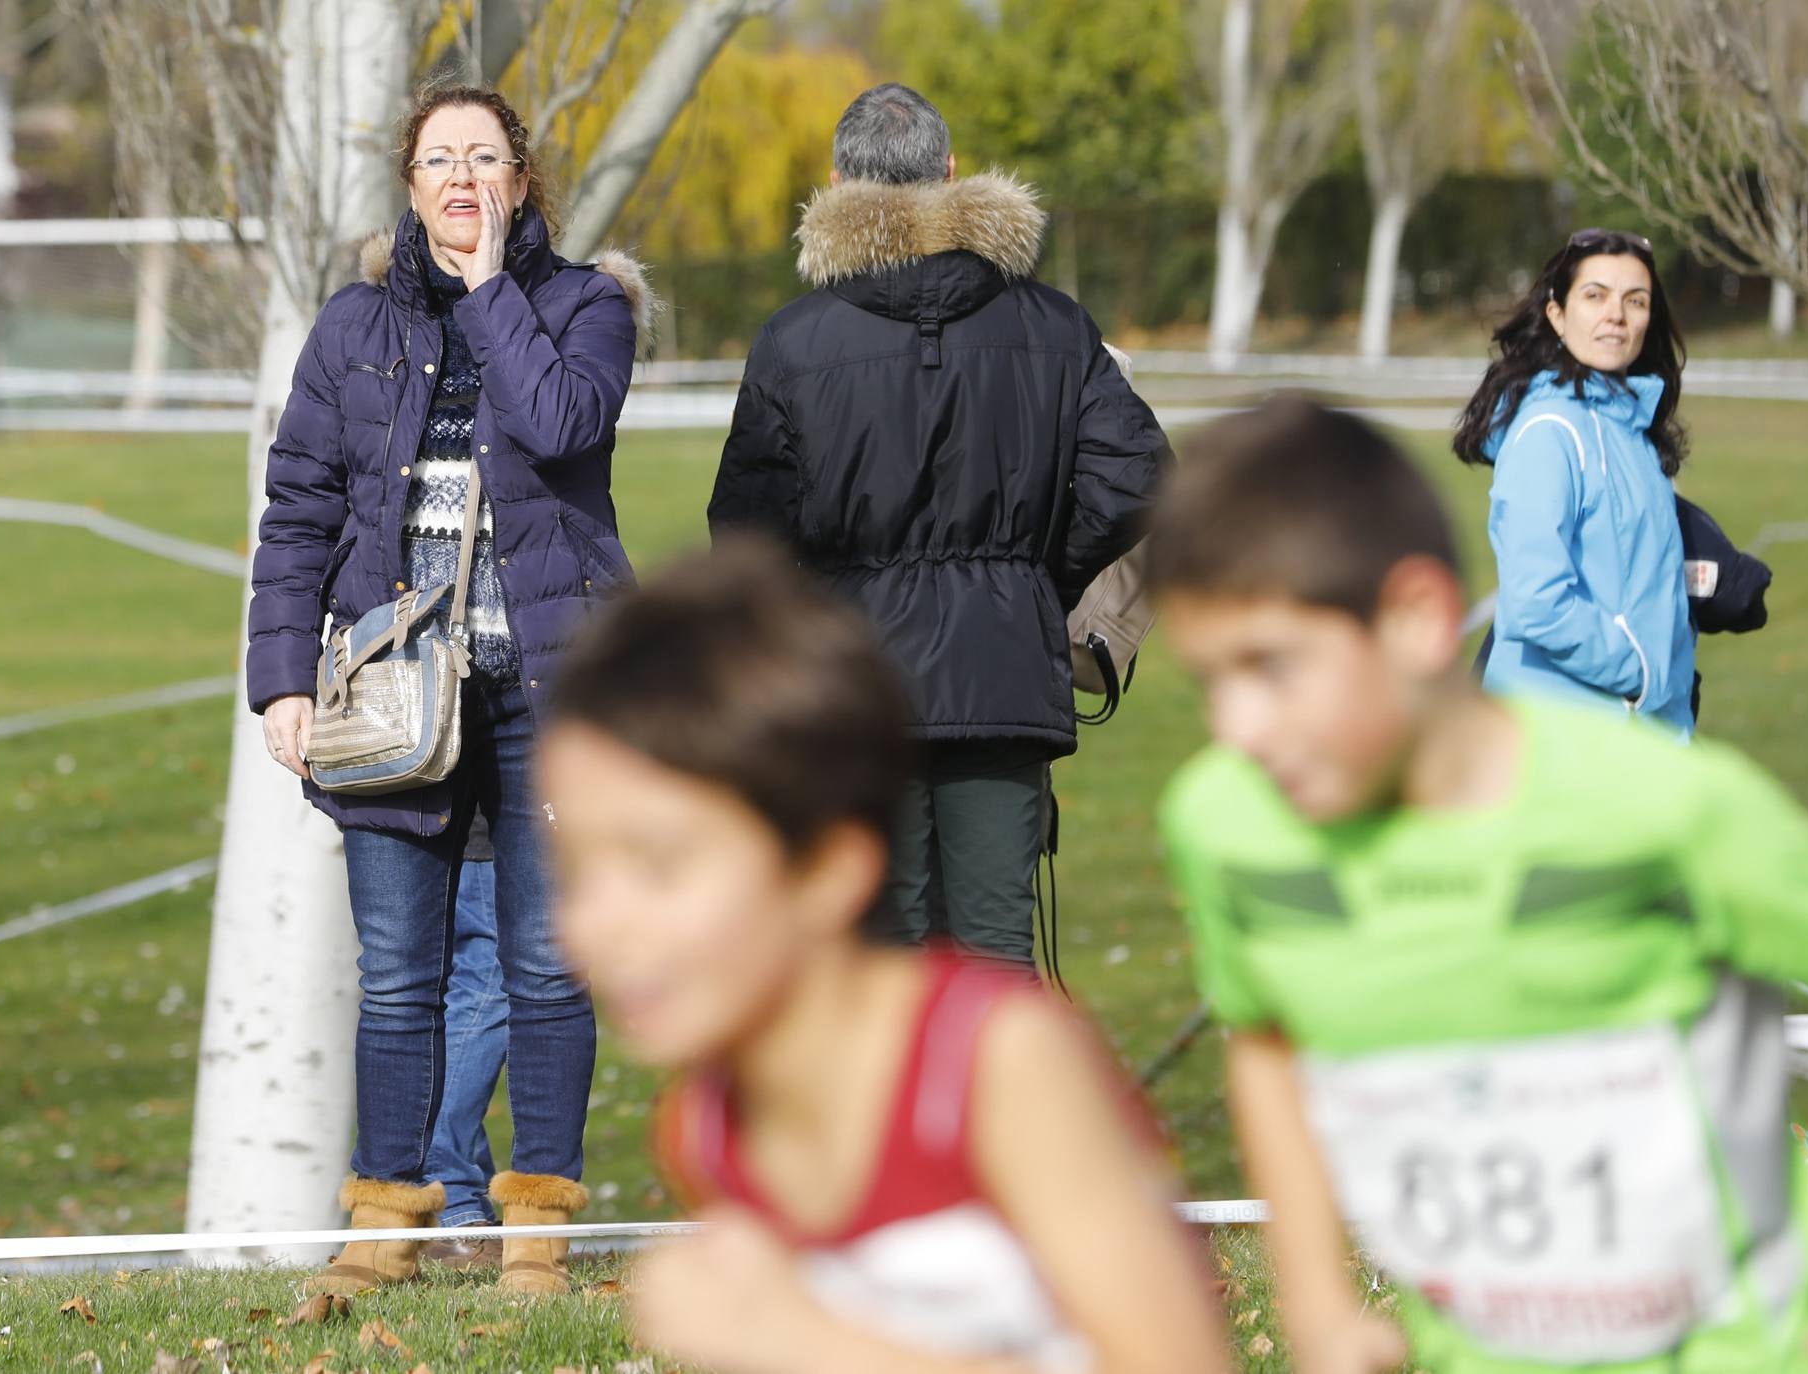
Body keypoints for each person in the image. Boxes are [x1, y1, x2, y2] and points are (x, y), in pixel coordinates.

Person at [1151, 397, 1808, 1374]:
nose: (1237, 726)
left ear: (1417, 618)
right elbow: (1266, 1037)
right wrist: (1322, 1305)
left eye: (1271, 668)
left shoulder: (1671, 813)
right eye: (1208, 680)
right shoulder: (1227, 827)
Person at [543, 541, 1231, 1374]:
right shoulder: (708, 1123)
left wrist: (810, 1344)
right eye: (575, 870)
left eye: (659, 865)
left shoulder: (994, 1061)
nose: (592, 926)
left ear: (828, 868)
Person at [246, 81, 658, 1296]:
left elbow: (563, 420)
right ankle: (385, 1230)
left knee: (543, 968)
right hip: (390, 697)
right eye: (439, 159)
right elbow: (298, 513)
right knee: (401, 977)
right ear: (411, 184)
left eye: (485, 157)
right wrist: (283, 682)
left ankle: (535, 1234)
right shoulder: (351, 329)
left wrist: (489, 294)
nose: (462, 177)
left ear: (521, 182)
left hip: (553, 688)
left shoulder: (586, 309)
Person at [707, 83, 1169, 973]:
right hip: (1001, 671)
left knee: (884, 969)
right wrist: (1033, 579)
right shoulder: (1053, 325)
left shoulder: (793, 341)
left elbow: (747, 535)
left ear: (838, 181)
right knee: (997, 964)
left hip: (855, 686)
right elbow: (1137, 480)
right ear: (951, 172)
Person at [1454, 228, 1696, 737]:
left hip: (1635, 737)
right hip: (1562, 743)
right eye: (1595, 296)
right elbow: (1536, 603)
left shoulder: (1628, 429)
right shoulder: (1550, 433)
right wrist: (1641, 674)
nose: (1617, 315)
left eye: (1636, 300)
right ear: (1557, 315)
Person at [419, 812, 508, 1269]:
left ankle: (463, 1201)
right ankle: (450, 1200)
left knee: (440, 996)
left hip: (415, 808)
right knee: (488, 981)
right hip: (479, 823)